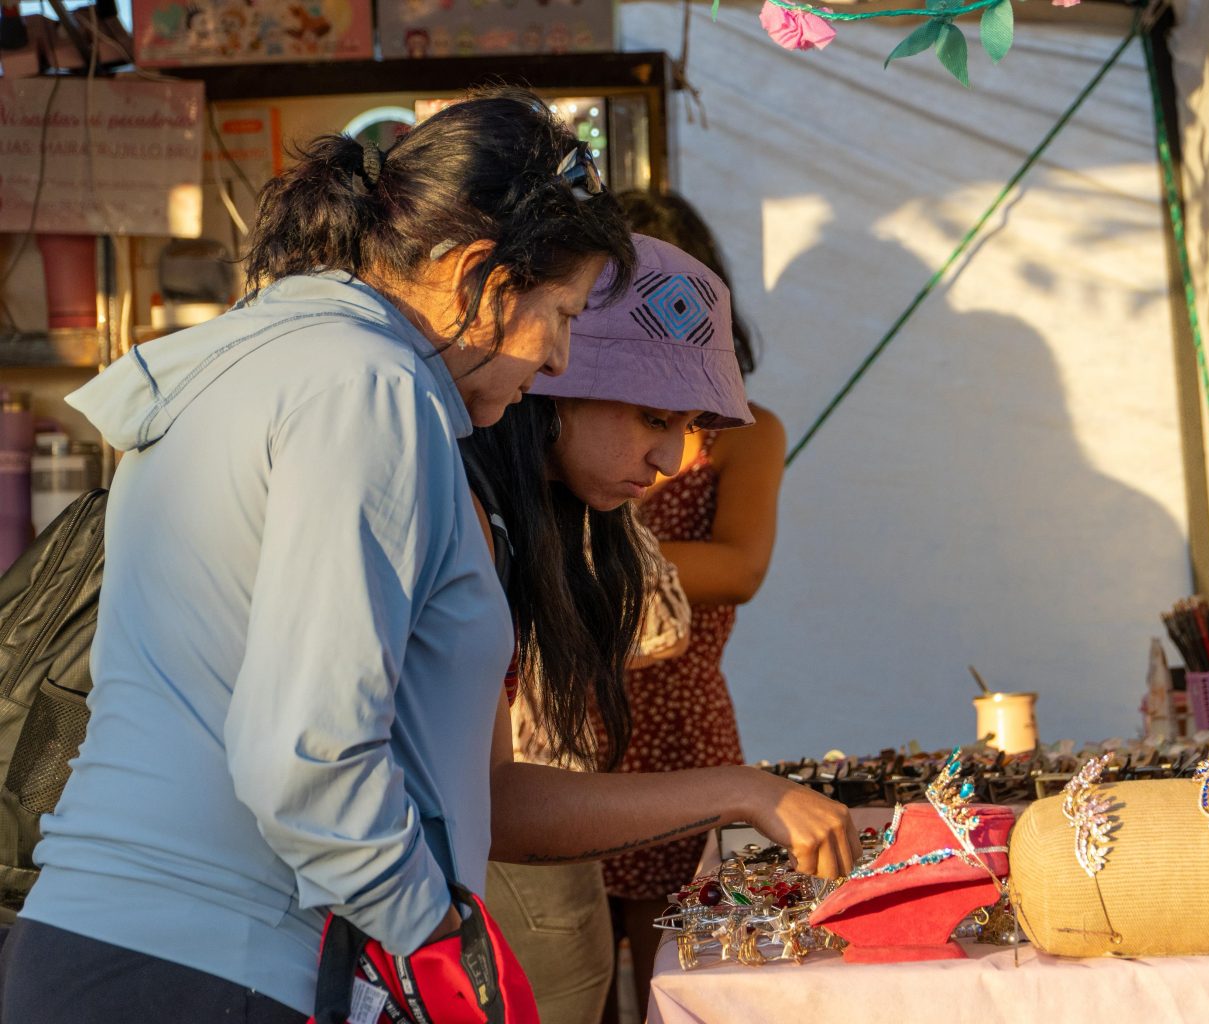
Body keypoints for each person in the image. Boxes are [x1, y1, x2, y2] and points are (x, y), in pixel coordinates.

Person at [0, 92, 856, 1022]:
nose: (562, 360)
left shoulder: (270, 348)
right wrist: (444, 952)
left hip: (117, 948)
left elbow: (437, 778)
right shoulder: (370, 384)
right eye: (561, 314)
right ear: (477, 273)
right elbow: (306, 759)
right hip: (212, 962)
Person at [459, 235, 736, 1024]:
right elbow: (497, 799)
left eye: (687, 425)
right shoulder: (465, 508)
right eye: (654, 417)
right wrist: (734, 791)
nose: (674, 456)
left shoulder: (531, 513)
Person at [600, 192, 788, 1019]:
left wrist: (584, 561)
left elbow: (740, 567)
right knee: (557, 970)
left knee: (672, 977)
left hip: (677, 717)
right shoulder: (568, 411)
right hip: (561, 714)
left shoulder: (746, 431)